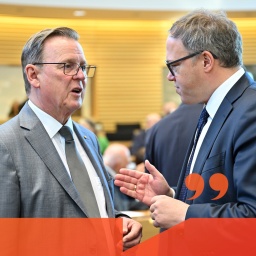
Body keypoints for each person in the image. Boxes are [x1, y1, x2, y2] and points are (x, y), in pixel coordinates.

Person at [0, 27, 142, 250]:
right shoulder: (6, 144)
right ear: (33, 75)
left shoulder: (88, 138)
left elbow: (90, 207)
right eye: (68, 66)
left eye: (83, 67)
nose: (81, 75)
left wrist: (119, 220)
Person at [115, 9, 256, 230]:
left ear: (206, 61)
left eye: (174, 65)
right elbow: (221, 196)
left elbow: (252, 215)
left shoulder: (250, 112)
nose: (170, 76)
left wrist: (186, 214)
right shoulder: (215, 106)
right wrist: (172, 195)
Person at [146, 103, 203, 188]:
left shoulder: (156, 128)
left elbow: (149, 176)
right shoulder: (212, 121)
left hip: (164, 197)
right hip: (204, 195)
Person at [103, 143, 148, 211]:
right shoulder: (107, 177)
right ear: (119, 164)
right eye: (127, 162)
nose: (128, 166)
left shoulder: (108, 174)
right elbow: (122, 207)